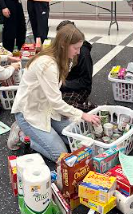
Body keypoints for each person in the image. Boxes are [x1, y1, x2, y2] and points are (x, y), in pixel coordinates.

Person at [9, 24, 100, 162]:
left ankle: (37, 133)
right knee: (61, 155)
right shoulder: (47, 65)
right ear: (64, 44)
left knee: (75, 142)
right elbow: (56, 102)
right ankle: (22, 134)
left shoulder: (63, 57)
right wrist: (82, 114)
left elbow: (55, 99)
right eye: (76, 48)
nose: (79, 52)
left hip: (47, 109)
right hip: (29, 113)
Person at [56, 20, 94, 110]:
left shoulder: (83, 54)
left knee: (63, 106)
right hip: (64, 83)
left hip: (79, 88)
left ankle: (91, 108)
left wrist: (62, 84)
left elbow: (86, 82)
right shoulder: (63, 48)